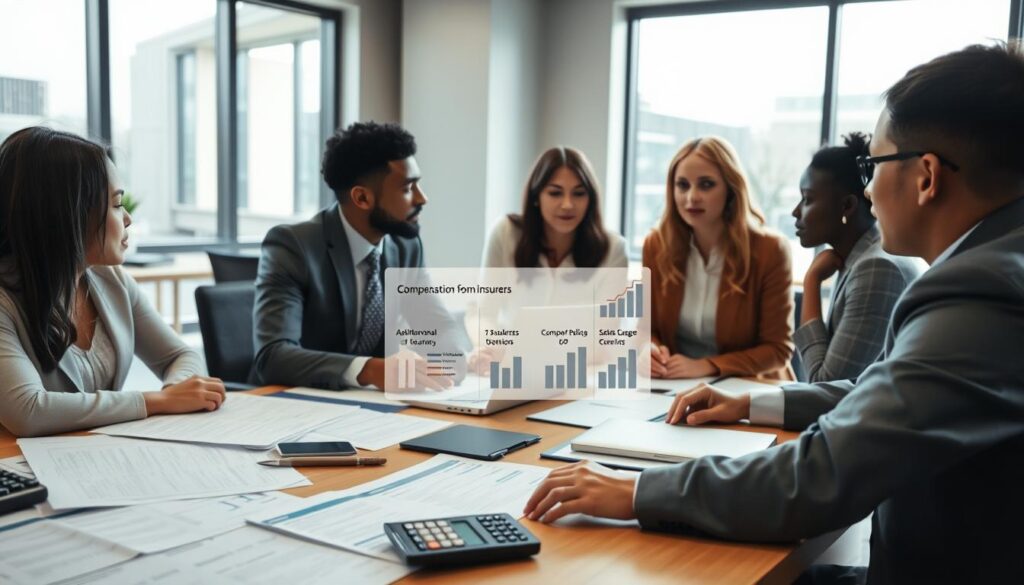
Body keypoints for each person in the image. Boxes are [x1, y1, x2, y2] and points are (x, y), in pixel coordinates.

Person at [523, 42, 1024, 584]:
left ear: (926, 176)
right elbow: (875, 394)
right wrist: (752, 401)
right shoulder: (995, 262)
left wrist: (636, 490)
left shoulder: (980, 291)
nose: (868, 186)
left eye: (871, 164)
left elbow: (822, 474)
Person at [0, 127, 224, 437]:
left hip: (100, 459)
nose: (128, 218)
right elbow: (28, 411)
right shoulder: (4, 302)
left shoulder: (111, 279)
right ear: (69, 214)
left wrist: (177, 392)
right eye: (117, 205)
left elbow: (181, 356)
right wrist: (158, 401)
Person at [253, 121, 457, 391]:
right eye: (408, 188)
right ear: (362, 198)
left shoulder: (406, 246)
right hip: (298, 405)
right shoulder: (293, 246)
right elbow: (274, 356)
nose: (422, 198)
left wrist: (446, 361)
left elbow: (438, 326)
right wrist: (370, 370)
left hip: (379, 409)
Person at [644, 137, 793, 380]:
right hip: (674, 384)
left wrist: (707, 365)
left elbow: (777, 350)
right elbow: (648, 330)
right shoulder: (656, 245)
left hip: (751, 388)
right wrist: (648, 350)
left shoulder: (770, 250)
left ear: (731, 189)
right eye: (682, 185)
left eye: (706, 185)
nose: (692, 197)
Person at [792, 133, 920, 382]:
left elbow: (824, 385)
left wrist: (811, 283)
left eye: (807, 199)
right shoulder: (858, 258)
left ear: (847, 206)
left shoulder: (876, 268)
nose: (795, 212)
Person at [482, 146, 627, 269]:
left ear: (591, 199)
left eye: (579, 193)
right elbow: (488, 302)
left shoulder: (614, 249)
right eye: (555, 193)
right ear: (536, 197)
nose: (567, 205)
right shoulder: (506, 233)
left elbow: (612, 303)